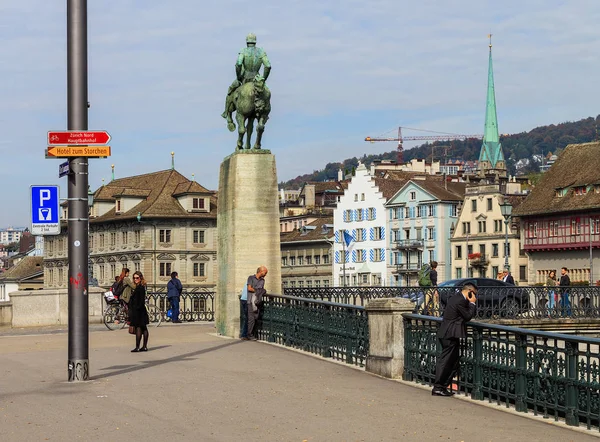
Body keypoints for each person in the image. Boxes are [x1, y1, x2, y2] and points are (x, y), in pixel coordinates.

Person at [432, 281, 477, 397]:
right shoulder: (460, 301)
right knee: (446, 361)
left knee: (453, 361)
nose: (475, 297)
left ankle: (442, 386)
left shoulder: (456, 297)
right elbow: (467, 316)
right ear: (470, 292)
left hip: (450, 333)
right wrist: (472, 303)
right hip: (450, 334)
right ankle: (438, 387)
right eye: (474, 294)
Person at [221, 33, 271, 124]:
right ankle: (265, 113)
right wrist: (263, 79)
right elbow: (268, 66)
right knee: (266, 94)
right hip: (257, 79)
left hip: (245, 78)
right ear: (255, 42)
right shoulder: (261, 52)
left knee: (231, 90)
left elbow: (239, 64)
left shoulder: (243, 51)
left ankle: (226, 113)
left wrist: (239, 77)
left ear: (247, 42)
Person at [129, 271, 150, 352]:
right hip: (141, 310)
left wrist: (136, 309)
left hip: (138, 311)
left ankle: (138, 347)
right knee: (144, 328)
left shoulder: (140, 287)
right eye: (134, 278)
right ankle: (144, 346)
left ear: (141, 278)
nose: (135, 279)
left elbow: (140, 300)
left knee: (138, 328)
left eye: (137, 278)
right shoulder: (140, 286)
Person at [247, 266, 268, 340]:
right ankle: (249, 334)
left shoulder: (262, 280)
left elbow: (261, 289)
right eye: (265, 272)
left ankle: (254, 333)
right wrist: (257, 291)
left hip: (257, 301)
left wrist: (258, 291)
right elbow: (249, 288)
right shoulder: (251, 278)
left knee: (256, 317)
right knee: (251, 318)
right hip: (250, 300)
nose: (266, 274)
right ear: (261, 271)